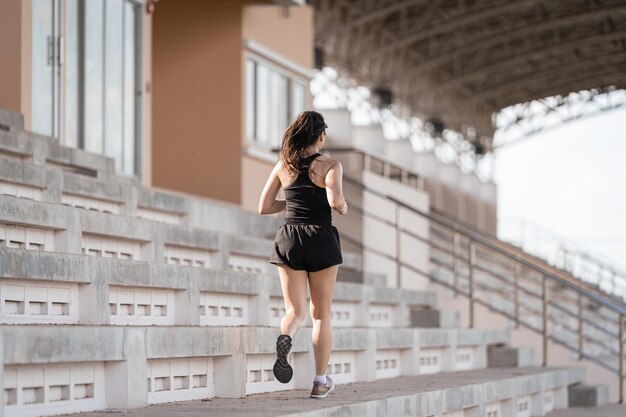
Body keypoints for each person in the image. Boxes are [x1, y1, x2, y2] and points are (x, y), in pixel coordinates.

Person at [258, 111, 348, 399]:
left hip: (289, 238)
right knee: (321, 315)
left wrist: (293, 204)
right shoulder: (330, 165)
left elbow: (264, 206)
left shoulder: (283, 165)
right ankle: (321, 381)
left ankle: (286, 337)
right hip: (320, 238)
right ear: (320, 136)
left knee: (294, 312)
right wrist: (343, 206)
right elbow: (335, 202)